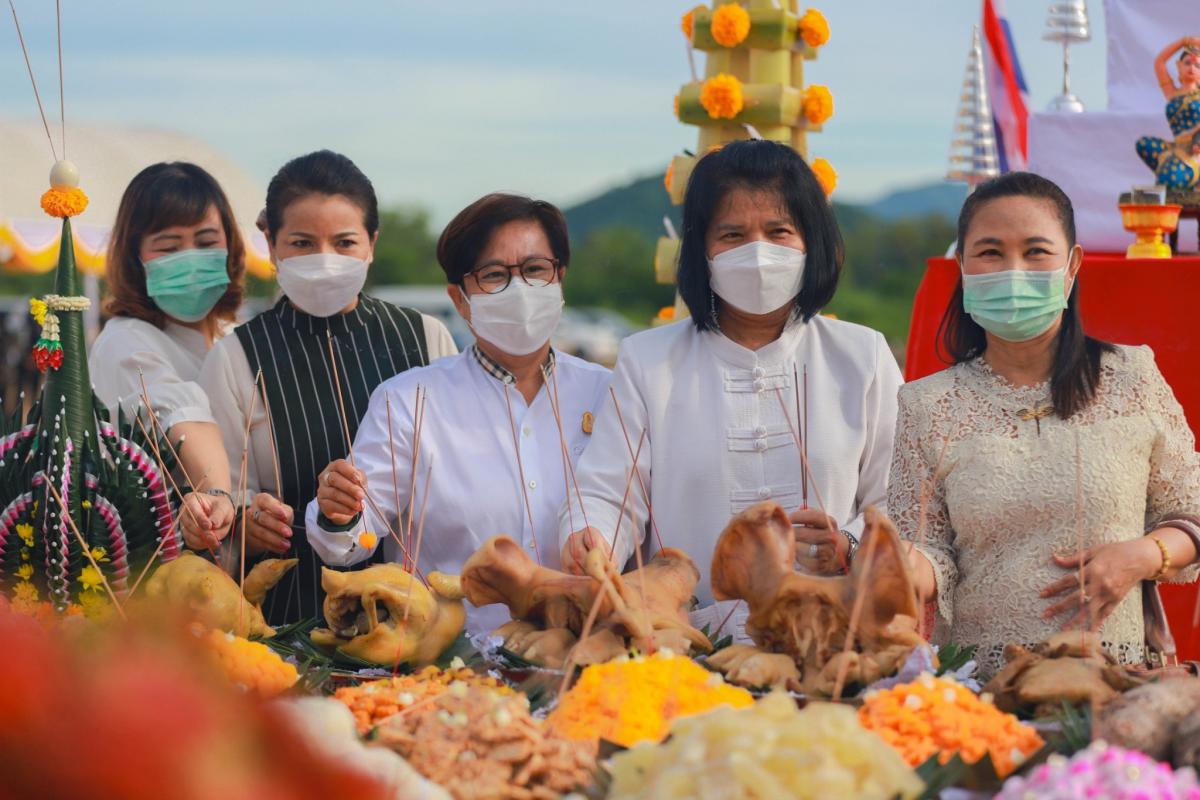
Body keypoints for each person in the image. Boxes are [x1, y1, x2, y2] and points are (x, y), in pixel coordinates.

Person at [560, 139, 903, 622]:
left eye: (779, 231)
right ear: (700, 250)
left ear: (812, 242)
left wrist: (846, 543)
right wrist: (590, 536)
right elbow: (609, 493)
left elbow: (896, 498)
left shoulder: (862, 356)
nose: (757, 252)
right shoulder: (648, 361)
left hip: (832, 635)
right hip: (686, 637)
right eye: (732, 235)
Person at [889, 172, 1200, 678]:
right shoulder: (927, 404)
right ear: (963, 267)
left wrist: (1143, 555)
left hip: (1113, 680)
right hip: (980, 687)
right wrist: (896, 567)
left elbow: (1192, 510)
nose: (1013, 271)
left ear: (1071, 265)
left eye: (1036, 251)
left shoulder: (1133, 377)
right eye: (990, 252)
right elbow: (928, 551)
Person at [306, 193, 610, 633]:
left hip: (591, 652)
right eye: (494, 275)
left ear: (559, 278)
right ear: (460, 298)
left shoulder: (607, 394)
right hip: (454, 658)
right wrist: (340, 512)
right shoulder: (409, 400)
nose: (519, 289)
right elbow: (352, 542)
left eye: (534, 269)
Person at [199, 150, 457, 624]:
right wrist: (248, 521)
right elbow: (221, 499)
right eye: (302, 243)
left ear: (372, 244)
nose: (324, 260)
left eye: (344, 243)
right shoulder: (235, 358)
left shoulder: (424, 338)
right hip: (286, 621)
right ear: (270, 244)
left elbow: (453, 475)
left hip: (414, 618)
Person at [89, 162, 245, 553]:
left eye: (206, 242)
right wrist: (219, 498)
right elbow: (183, 421)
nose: (190, 259)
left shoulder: (233, 335)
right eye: (169, 247)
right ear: (135, 256)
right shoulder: (126, 342)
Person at [1136, 36, 1200, 191]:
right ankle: (1173, 171)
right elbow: (1160, 62)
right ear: (1179, 66)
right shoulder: (1173, 93)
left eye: (1197, 65)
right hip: (1177, 148)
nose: (1192, 67)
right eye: (1188, 63)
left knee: (1167, 180)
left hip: (1196, 152)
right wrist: (1184, 41)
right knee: (1143, 144)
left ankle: (1184, 177)